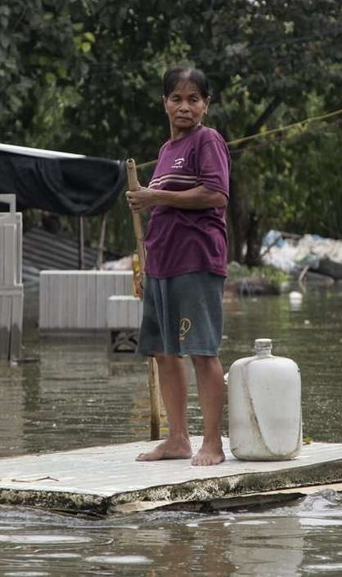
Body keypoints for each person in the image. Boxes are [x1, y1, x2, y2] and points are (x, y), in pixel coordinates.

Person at [125, 66, 231, 466]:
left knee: (201, 351)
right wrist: (145, 264)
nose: (184, 107)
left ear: (205, 104)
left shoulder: (208, 140)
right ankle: (177, 439)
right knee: (165, 352)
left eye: (193, 99)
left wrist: (155, 196)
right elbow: (158, 209)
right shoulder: (167, 151)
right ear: (164, 103)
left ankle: (212, 443)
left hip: (196, 260)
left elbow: (215, 195)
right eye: (176, 98)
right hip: (162, 263)